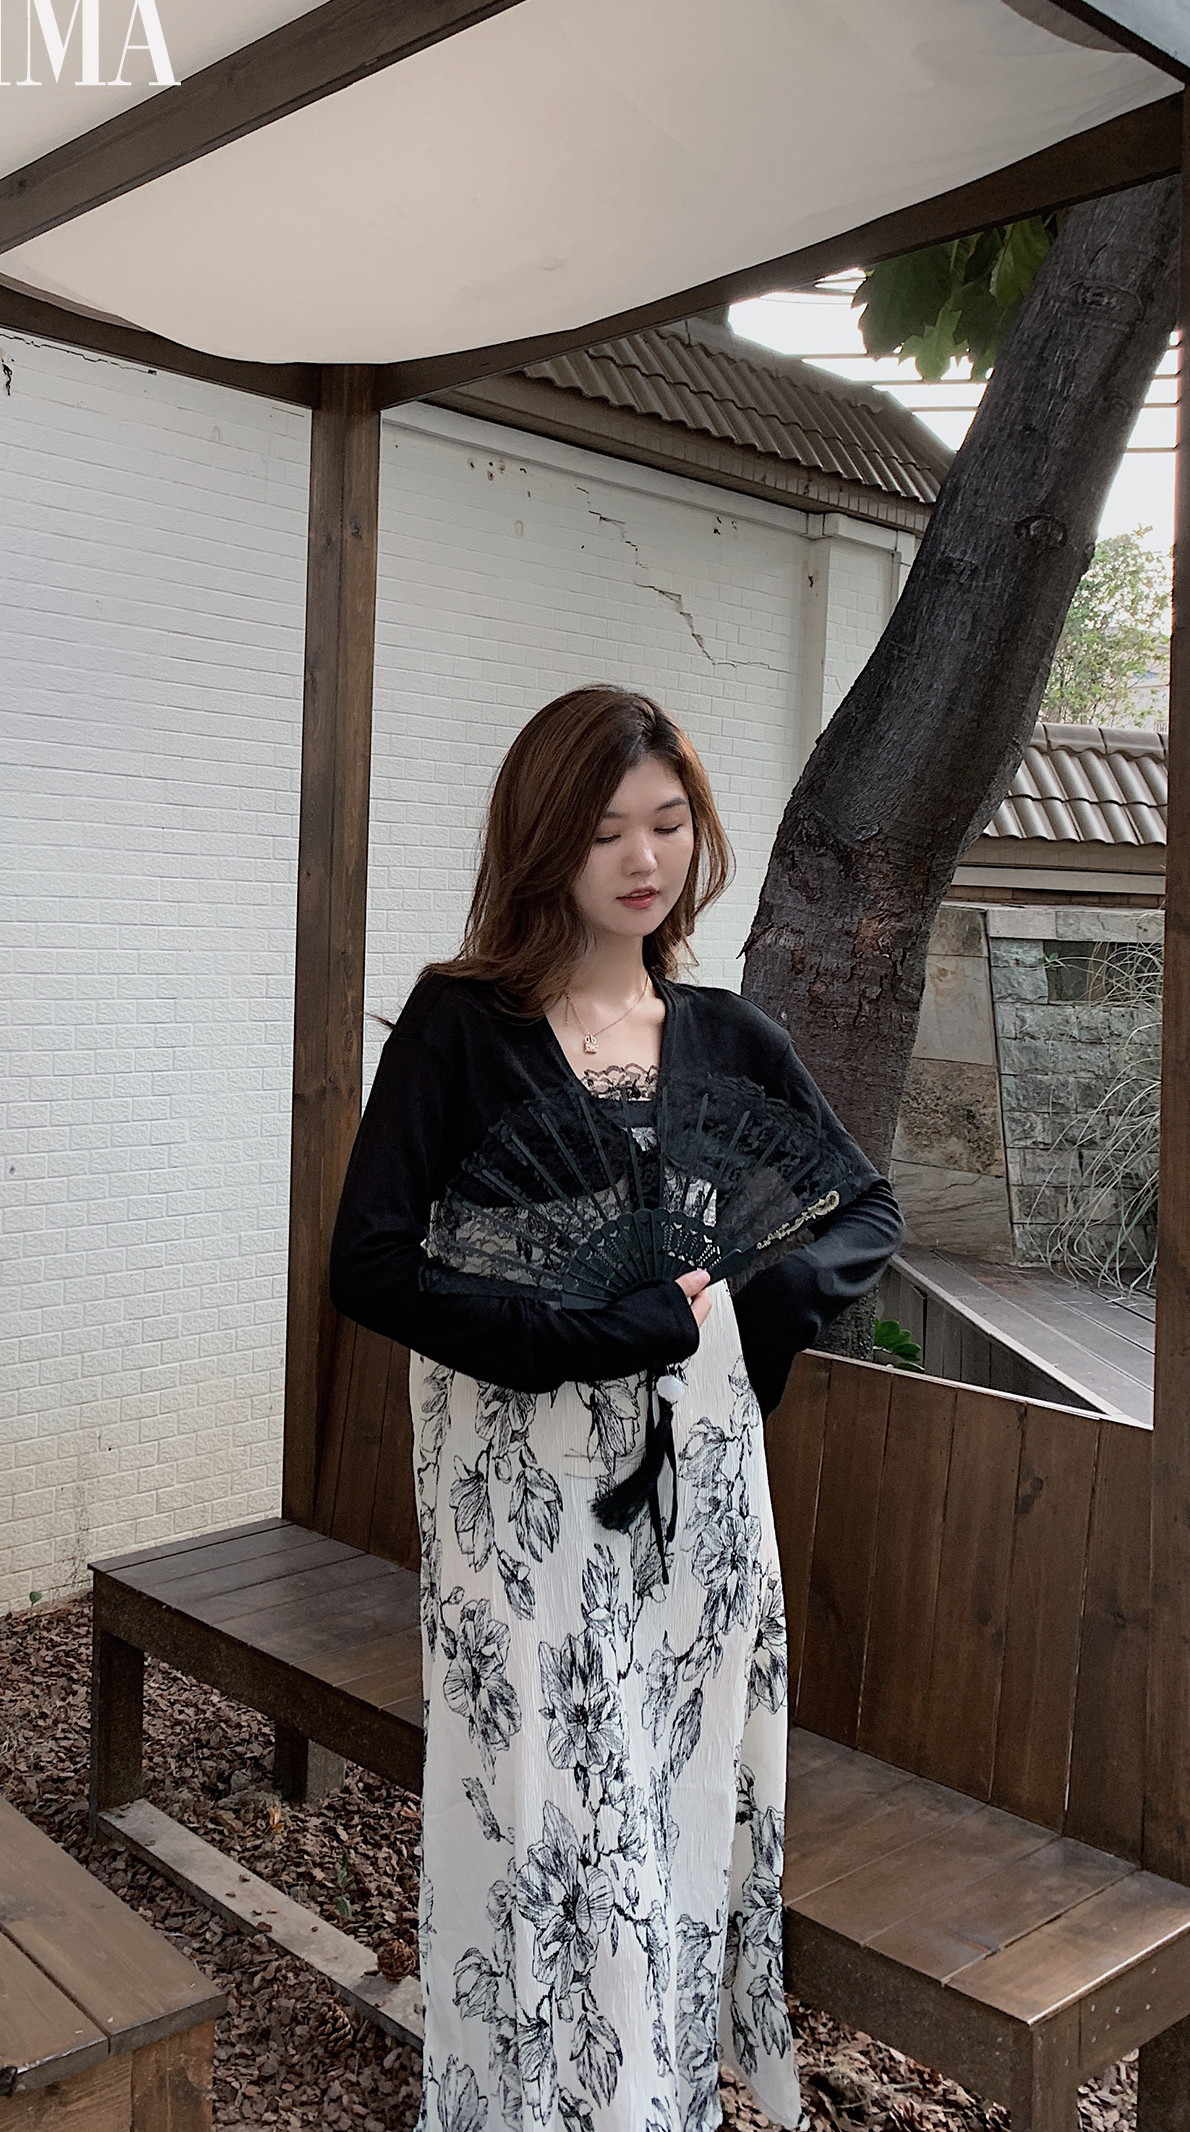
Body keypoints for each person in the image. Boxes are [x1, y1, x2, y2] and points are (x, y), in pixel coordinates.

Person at [330, 686, 903, 2132]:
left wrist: (755, 1312)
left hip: (699, 1502)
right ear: (543, 843)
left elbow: (862, 1210)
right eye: (603, 831)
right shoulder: (462, 1028)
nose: (643, 860)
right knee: (548, 1813)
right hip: (524, 1502)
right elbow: (371, 1264)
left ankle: (658, 2099)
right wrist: (569, 1334)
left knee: (680, 1797)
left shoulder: (728, 1037)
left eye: (667, 822)